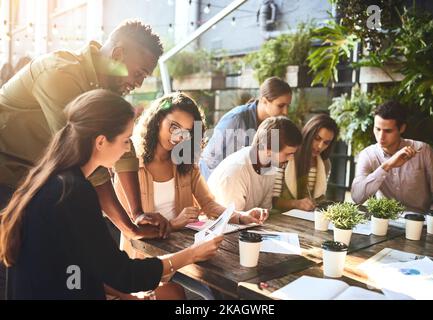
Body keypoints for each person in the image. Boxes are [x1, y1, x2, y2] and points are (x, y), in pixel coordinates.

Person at [0, 90, 223, 300]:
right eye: (126, 140)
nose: (128, 149)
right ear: (101, 142)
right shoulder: (74, 192)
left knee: (172, 292)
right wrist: (191, 254)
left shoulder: (50, 179)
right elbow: (124, 274)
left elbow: (87, 264)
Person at [0, 19, 168, 240]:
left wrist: (137, 213)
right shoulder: (59, 74)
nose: (138, 84)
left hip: (33, 182)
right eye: (139, 74)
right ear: (117, 55)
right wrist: (129, 229)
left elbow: (123, 145)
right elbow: (84, 155)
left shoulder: (107, 87)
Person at [114, 92, 268, 299]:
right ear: (158, 118)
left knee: (233, 284)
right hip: (146, 260)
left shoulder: (185, 164)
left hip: (186, 253)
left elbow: (209, 204)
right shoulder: (131, 166)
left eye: (187, 132)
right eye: (174, 126)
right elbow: (131, 227)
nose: (179, 136)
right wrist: (175, 223)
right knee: (207, 294)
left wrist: (241, 216)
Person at [351, 101, 433, 218]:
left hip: (420, 221)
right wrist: (387, 166)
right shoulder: (368, 154)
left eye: (388, 131)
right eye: (377, 129)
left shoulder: (423, 151)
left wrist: (430, 222)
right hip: (386, 221)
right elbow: (357, 197)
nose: (381, 137)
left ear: (401, 128)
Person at [199, 76, 292, 180]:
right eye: (281, 106)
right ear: (264, 101)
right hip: (219, 184)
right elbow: (210, 160)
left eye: (288, 106)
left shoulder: (275, 126)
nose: (285, 112)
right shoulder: (236, 119)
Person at [208, 116, 303, 211]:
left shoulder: (270, 166)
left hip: (246, 223)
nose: (291, 159)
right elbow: (232, 219)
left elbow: (265, 210)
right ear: (268, 149)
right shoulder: (236, 170)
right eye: (288, 154)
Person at [274, 114, 339, 211]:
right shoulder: (287, 156)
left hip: (307, 218)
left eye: (326, 143)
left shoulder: (325, 164)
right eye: (317, 138)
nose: (320, 146)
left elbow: (319, 199)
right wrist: (296, 204)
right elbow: (273, 201)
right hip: (281, 217)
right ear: (309, 133)